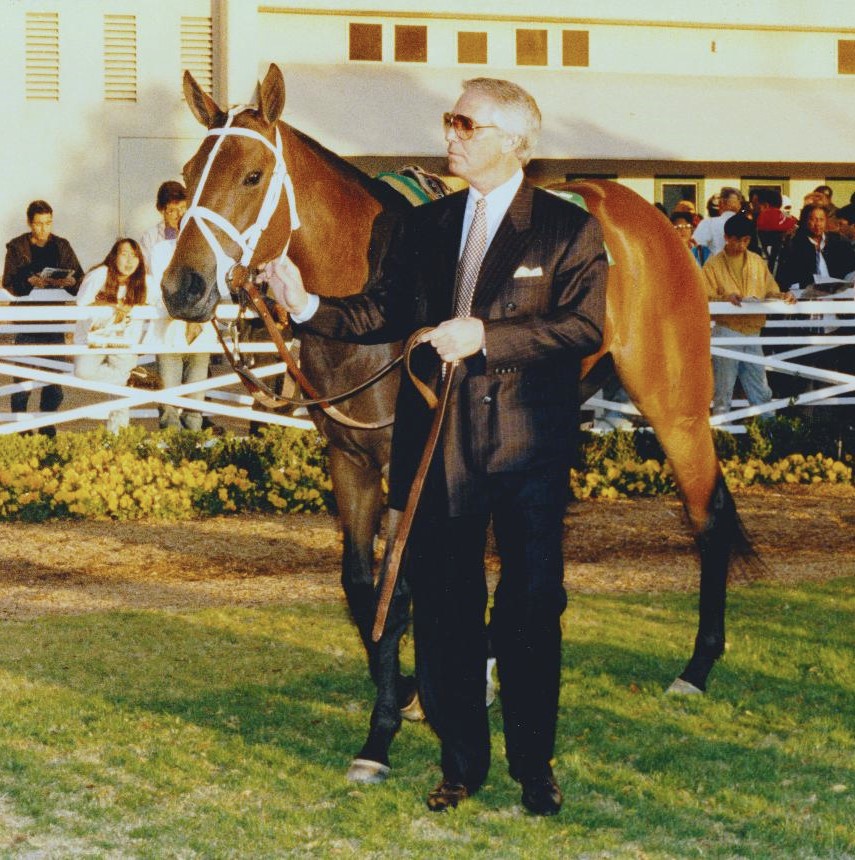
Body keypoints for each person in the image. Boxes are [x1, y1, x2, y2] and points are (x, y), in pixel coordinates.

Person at [266, 77, 607, 815]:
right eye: (450, 120)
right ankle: (460, 763)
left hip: (526, 450)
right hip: (436, 453)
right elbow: (382, 311)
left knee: (528, 608)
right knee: (446, 611)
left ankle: (531, 766)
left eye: (466, 123)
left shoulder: (564, 229)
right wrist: (308, 305)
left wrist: (490, 337)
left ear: (514, 142)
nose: (449, 132)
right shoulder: (421, 226)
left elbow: (584, 330)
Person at [2, 200, 83, 435]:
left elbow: (79, 276)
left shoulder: (62, 246)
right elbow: (9, 281)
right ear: (30, 223)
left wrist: (71, 282)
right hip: (27, 320)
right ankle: (21, 425)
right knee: (24, 375)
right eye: (38, 224)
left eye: (48, 223)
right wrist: (27, 281)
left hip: (55, 319)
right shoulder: (17, 247)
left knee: (54, 377)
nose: (43, 229)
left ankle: (46, 422)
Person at [703, 213, 796, 415]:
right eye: (737, 240)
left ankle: (767, 429)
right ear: (727, 238)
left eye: (745, 241)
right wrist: (725, 298)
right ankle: (722, 432)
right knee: (723, 388)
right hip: (727, 329)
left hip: (753, 331)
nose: (741, 245)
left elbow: (770, 288)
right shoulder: (712, 264)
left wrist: (782, 296)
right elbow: (705, 296)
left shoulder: (757, 262)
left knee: (759, 385)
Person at [139, 182, 210, 430]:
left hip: (200, 332)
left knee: (196, 401)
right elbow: (157, 283)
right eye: (173, 211)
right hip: (169, 329)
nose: (179, 216)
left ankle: (195, 451)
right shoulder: (156, 246)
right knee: (167, 401)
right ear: (162, 210)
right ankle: (172, 451)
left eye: (183, 209)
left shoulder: (207, 247)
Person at [74, 238, 153, 433]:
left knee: (121, 398)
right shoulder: (99, 275)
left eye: (134, 256)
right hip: (95, 340)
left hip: (125, 342)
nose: (129, 260)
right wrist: (110, 305)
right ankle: (128, 378)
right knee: (83, 372)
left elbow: (158, 304)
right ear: (114, 256)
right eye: (124, 254)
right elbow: (81, 304)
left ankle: (118, 438)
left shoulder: (145, 281)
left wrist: (134, 305)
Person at [776, 203, 855, 290]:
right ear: (805, 221)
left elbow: (850, 268)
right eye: (813, 219)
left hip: (838, 292)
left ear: (826, 221)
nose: (818, 224)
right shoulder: (794, 244)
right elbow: (785, 279)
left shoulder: (838, 242)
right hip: (807, 293)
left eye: (821, 220)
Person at [692, 186, 743, 257]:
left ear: (720, 203)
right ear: (739, 205)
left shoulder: (707, 224)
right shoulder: (747, 224)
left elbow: (695, 247)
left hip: (714, 266)